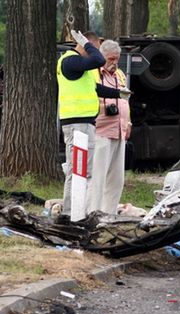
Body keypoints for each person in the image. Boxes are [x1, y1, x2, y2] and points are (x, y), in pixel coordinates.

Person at [57, 30, 130, 217]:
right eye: (94, 49)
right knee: (79, 173)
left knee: (83, 172)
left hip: (85, 123)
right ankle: (71, 214)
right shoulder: (70, 61)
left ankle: (78, 214)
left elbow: (94, 88)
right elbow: (98, 60)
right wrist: (88, 44)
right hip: (77, 124)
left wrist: (118, 94)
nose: (95, 53)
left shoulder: (81, 67)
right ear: (84, 45)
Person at [87, 40, 131, 214]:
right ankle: (93, 213)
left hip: (120, 130)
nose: (114, 63)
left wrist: (128, 122)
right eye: (111, 59)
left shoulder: (120, 74)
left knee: (116, 178)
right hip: (101, 129)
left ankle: (109, 213)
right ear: (102, 56)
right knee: (98, 176)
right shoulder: (93, 73)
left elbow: (125, 100)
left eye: (117, 59)